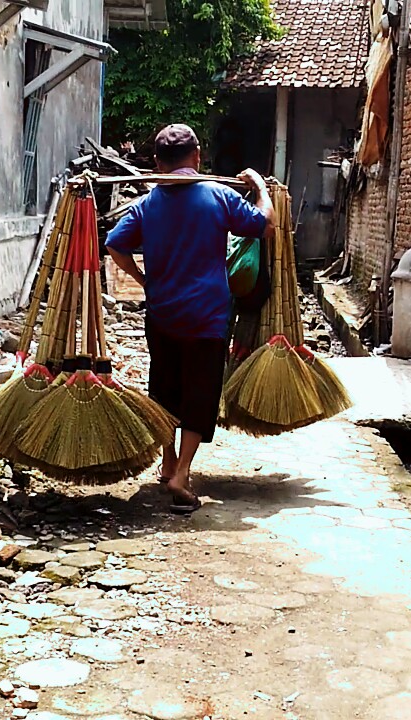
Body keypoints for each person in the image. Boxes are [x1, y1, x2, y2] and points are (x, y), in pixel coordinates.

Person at [105, 124, 273, 513]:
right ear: (197, 156)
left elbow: (114, 244)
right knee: (200, 393)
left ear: (158, 163)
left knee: (164, 388)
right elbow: (265, 225)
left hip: (162, 314)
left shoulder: (147, 205)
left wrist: (143, 280)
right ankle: (181, 473)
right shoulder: (219, 196)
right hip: (207, 317)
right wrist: (261, 188)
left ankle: (167, 463)